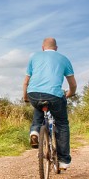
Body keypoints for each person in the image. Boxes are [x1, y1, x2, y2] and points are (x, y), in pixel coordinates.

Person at [22, 37, 77, 170]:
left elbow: (25, 82)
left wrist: (26, 97)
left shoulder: (34, 57)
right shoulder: (64, 59)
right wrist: (69, 94)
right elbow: (73, 84)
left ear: (42, 48)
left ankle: (35, 131)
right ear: (56, 48)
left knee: (39, 107)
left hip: (33, 93)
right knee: (62, 123)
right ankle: (63, 160)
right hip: (54, 96)